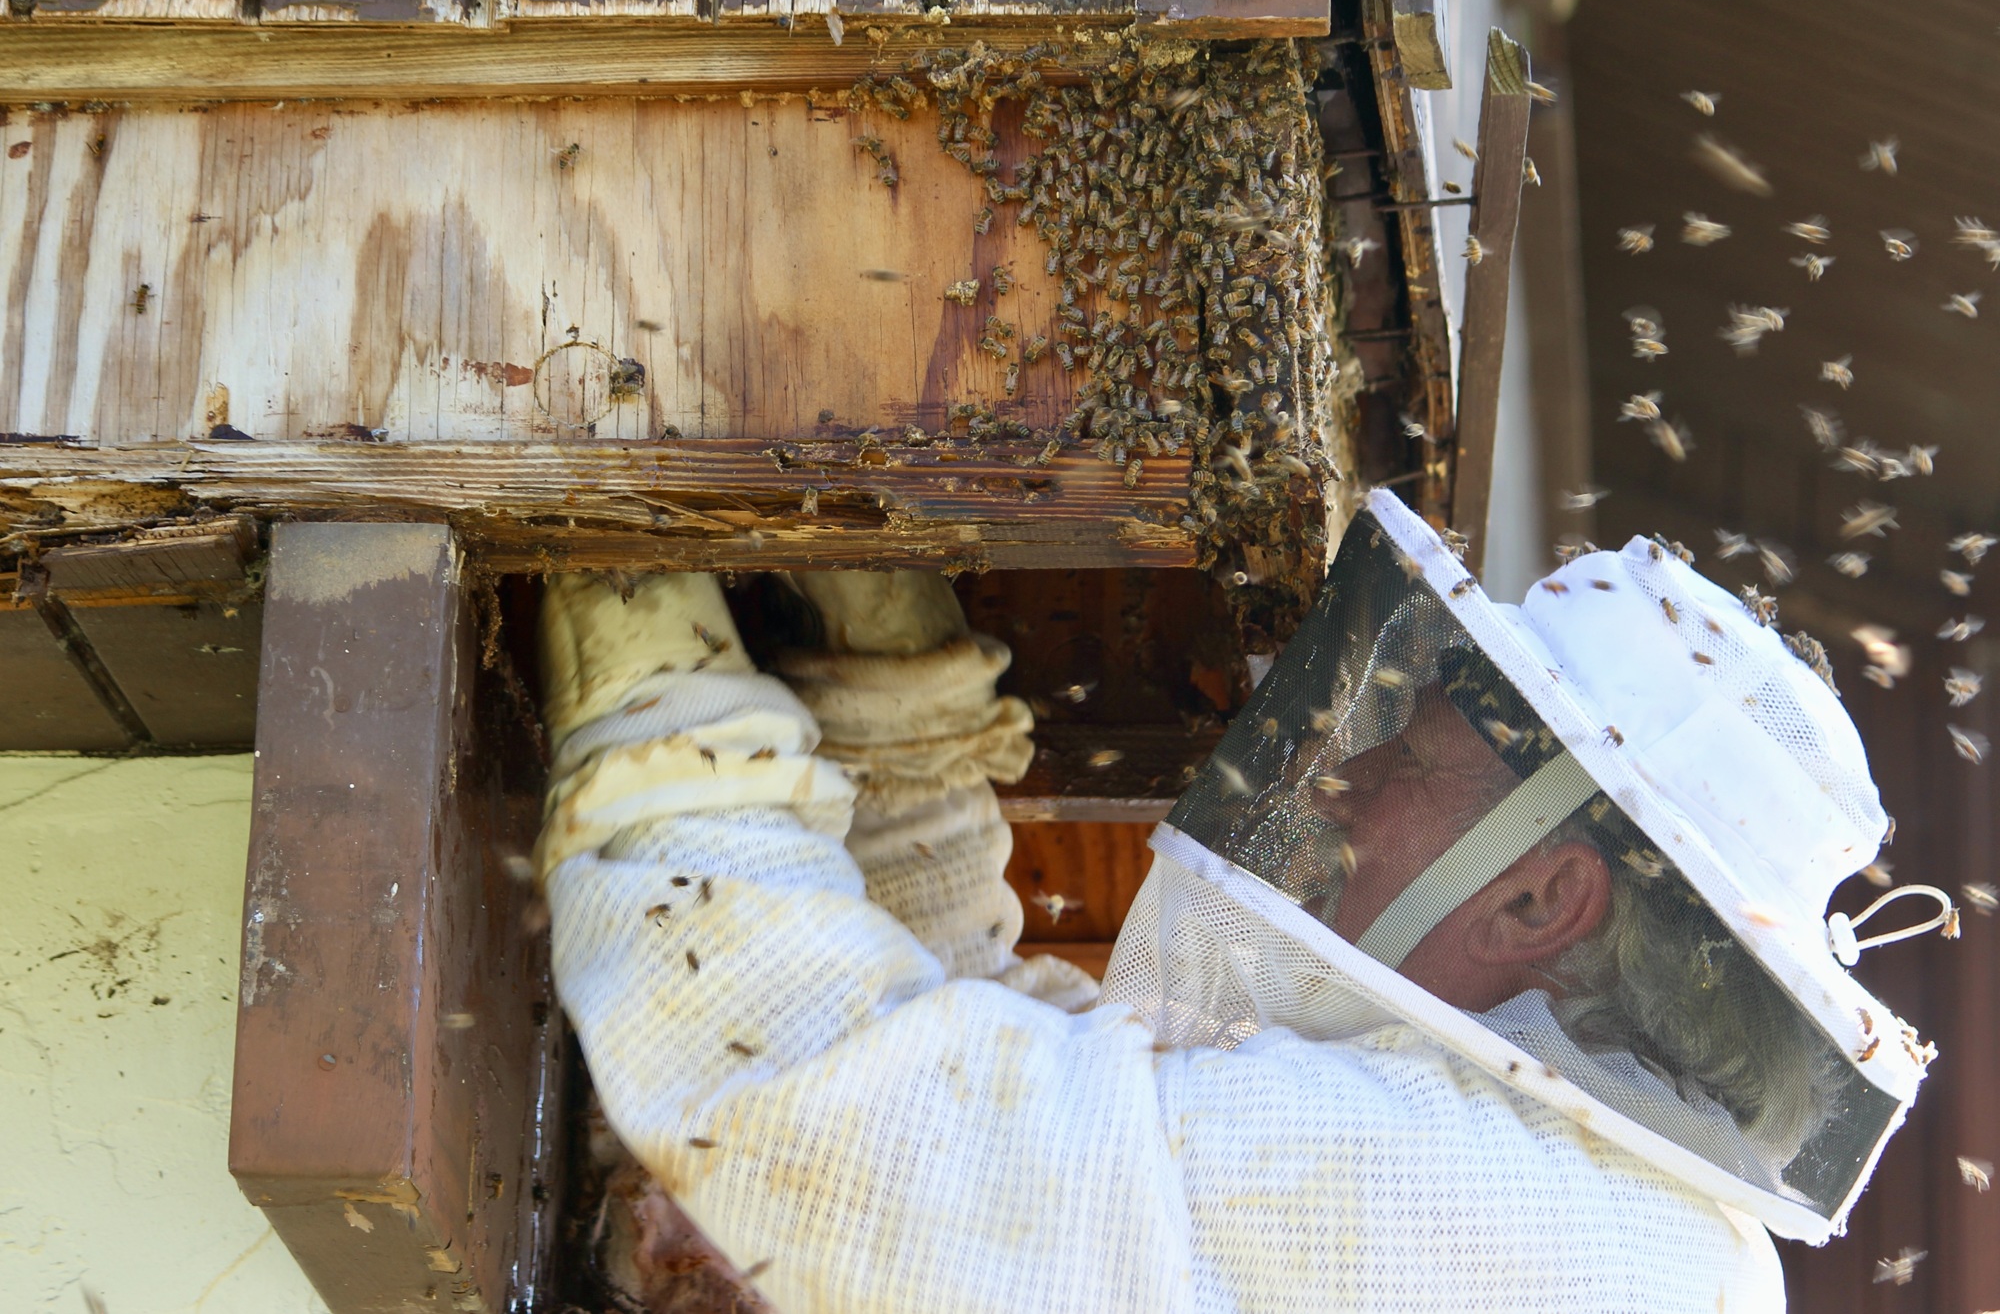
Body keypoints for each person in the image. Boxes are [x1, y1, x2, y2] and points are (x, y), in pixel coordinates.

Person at [534, 490, 1943, 1313]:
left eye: (1410, 757)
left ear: (1537, 899)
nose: (1346, 779)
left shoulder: (1573, 1251)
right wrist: (902, 756)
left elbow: (863, 1138)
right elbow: (1064, 1133)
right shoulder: (1619, 1229)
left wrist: (666, 728)